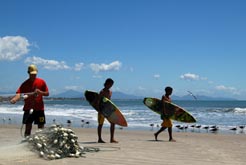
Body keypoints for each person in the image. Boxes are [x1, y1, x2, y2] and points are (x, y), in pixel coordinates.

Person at [10, 64, 49, 137]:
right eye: (32, 74)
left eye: (35, 74)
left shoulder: (42, 82)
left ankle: (40, 144)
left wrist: (40, 92)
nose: (33, 75)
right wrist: (14, 99)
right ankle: (26, 144)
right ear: (28, 73)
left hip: (40, 109)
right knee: (28, 127)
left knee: (41, 128)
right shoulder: (25, 84)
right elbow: (19, 93)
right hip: (28, 109)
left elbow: (47, 93)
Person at [97, 78, 118, 143]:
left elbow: (109, 101)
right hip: (102, 109)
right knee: (100, 124)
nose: (111, 86)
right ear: (106, 84)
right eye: (110, 84)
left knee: (113, 123)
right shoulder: (102, 92)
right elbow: (98, 101)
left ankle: (112, 139)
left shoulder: (110, 92)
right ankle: (99, 139)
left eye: (112, 85)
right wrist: (99, 110)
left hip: (108, 110)